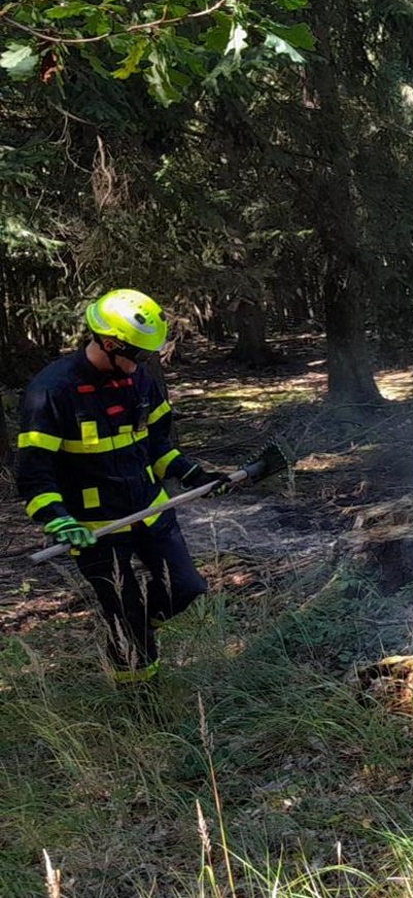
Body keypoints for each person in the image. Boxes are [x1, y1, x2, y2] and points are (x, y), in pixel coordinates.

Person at [16, 289, 233, 681]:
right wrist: (59, 520)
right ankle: (138, 696)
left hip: (151, 510)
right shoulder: (51, 392)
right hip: (95, 527)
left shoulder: (141, 381)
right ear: (109, 342)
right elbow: (34, 473)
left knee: (186, 587)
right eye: (138, 354)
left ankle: (139, 628)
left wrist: (192, 474)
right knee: (124, 607)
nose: (144, 364)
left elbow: (155, 444)